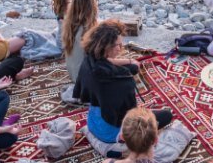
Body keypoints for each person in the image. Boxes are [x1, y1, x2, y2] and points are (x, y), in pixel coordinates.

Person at [74, 20, 172, 151]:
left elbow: (108, 62)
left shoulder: (88, 61)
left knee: (133, 68)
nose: (121, 48)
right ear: (106, 47)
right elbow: (131, 118)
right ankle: (119, 149)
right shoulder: (122, 82)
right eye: (118, 45)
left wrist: (130, 61)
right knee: (166, 115)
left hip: (93, 123)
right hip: (111, 133)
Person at [62, 0, 99, 84]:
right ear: (91, 5)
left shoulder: (69, 24)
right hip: (84, 78)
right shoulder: (88, 30)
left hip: (73, 73)